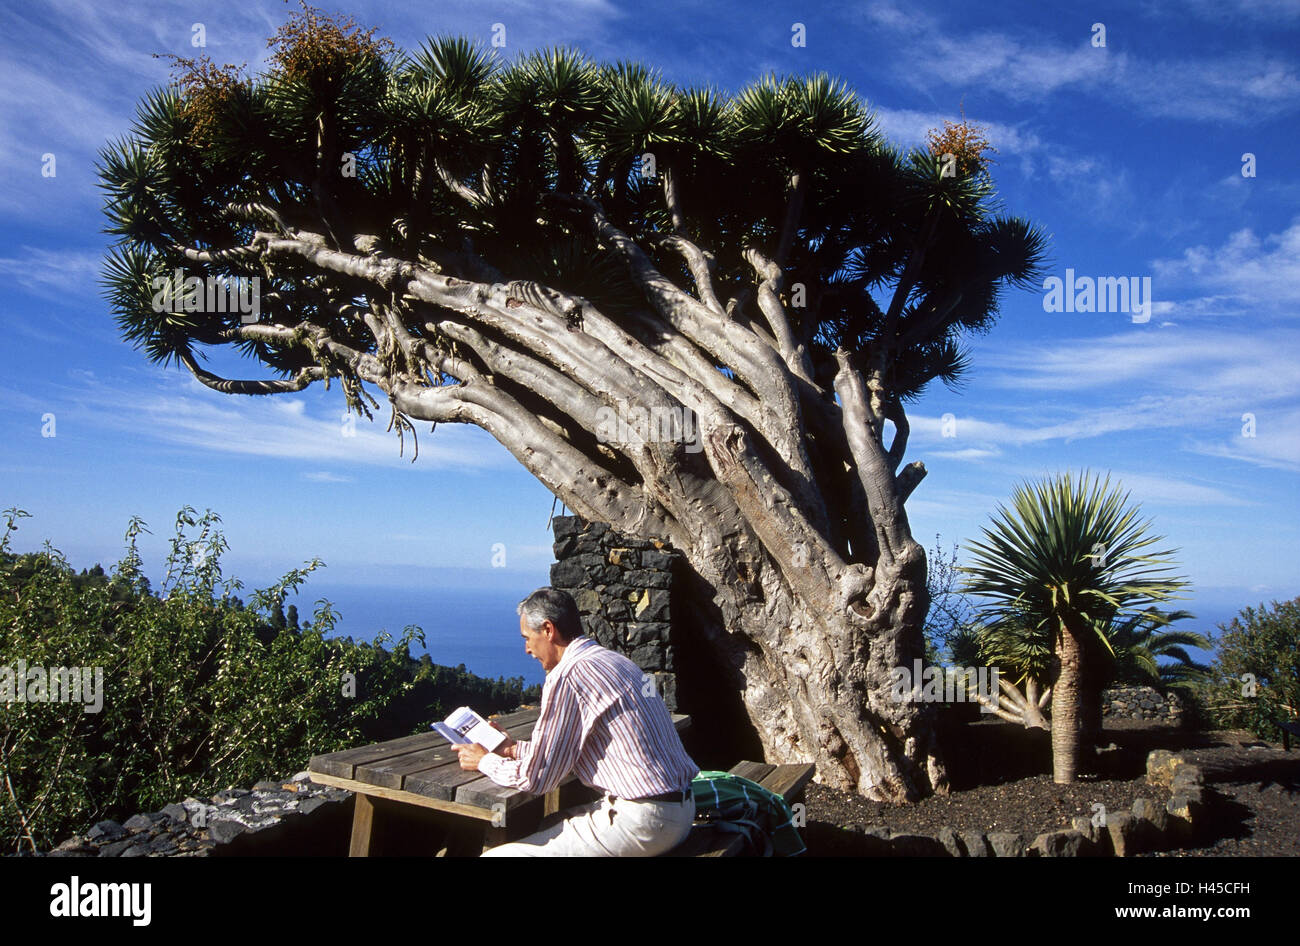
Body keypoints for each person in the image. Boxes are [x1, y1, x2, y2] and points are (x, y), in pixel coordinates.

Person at [449, 586, 698, 856]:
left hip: (644, 822)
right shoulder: (615, 661)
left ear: (547, 629)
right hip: (679, 811)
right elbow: (564, 752)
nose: (526, 649)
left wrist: (484, 761)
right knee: (548, 822)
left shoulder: (569, 675)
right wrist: (510, 749)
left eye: (527, 638)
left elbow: (539, 779)